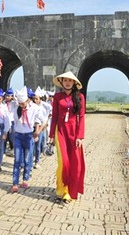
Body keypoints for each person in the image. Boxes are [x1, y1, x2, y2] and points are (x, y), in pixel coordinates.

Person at [49, 71, 86, 203]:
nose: (67, 83)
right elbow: (54, 117)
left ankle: (71, 190)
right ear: (61, 82)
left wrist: (80, 136)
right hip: (61, 132)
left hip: (74, 132)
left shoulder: (80, 97)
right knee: (63, 162)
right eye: (65, 80)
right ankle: (62, 190)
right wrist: (52, 134)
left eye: (70, 81)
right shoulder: (58, 97)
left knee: (75, 163)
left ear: (74, 83)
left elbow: (81, 117)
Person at [10, 87, 43, 193]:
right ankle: (15, 182)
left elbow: (40, 119)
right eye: (20, 103)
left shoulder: (34, 108)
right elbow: (14, 120)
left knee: (27, 159)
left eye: (23, 103)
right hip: (18, 136)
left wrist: (37, 130)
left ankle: (25, 179)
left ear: (27, 100)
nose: (21, 105)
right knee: (17, 159)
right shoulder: (16, 108)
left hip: (29, 136)